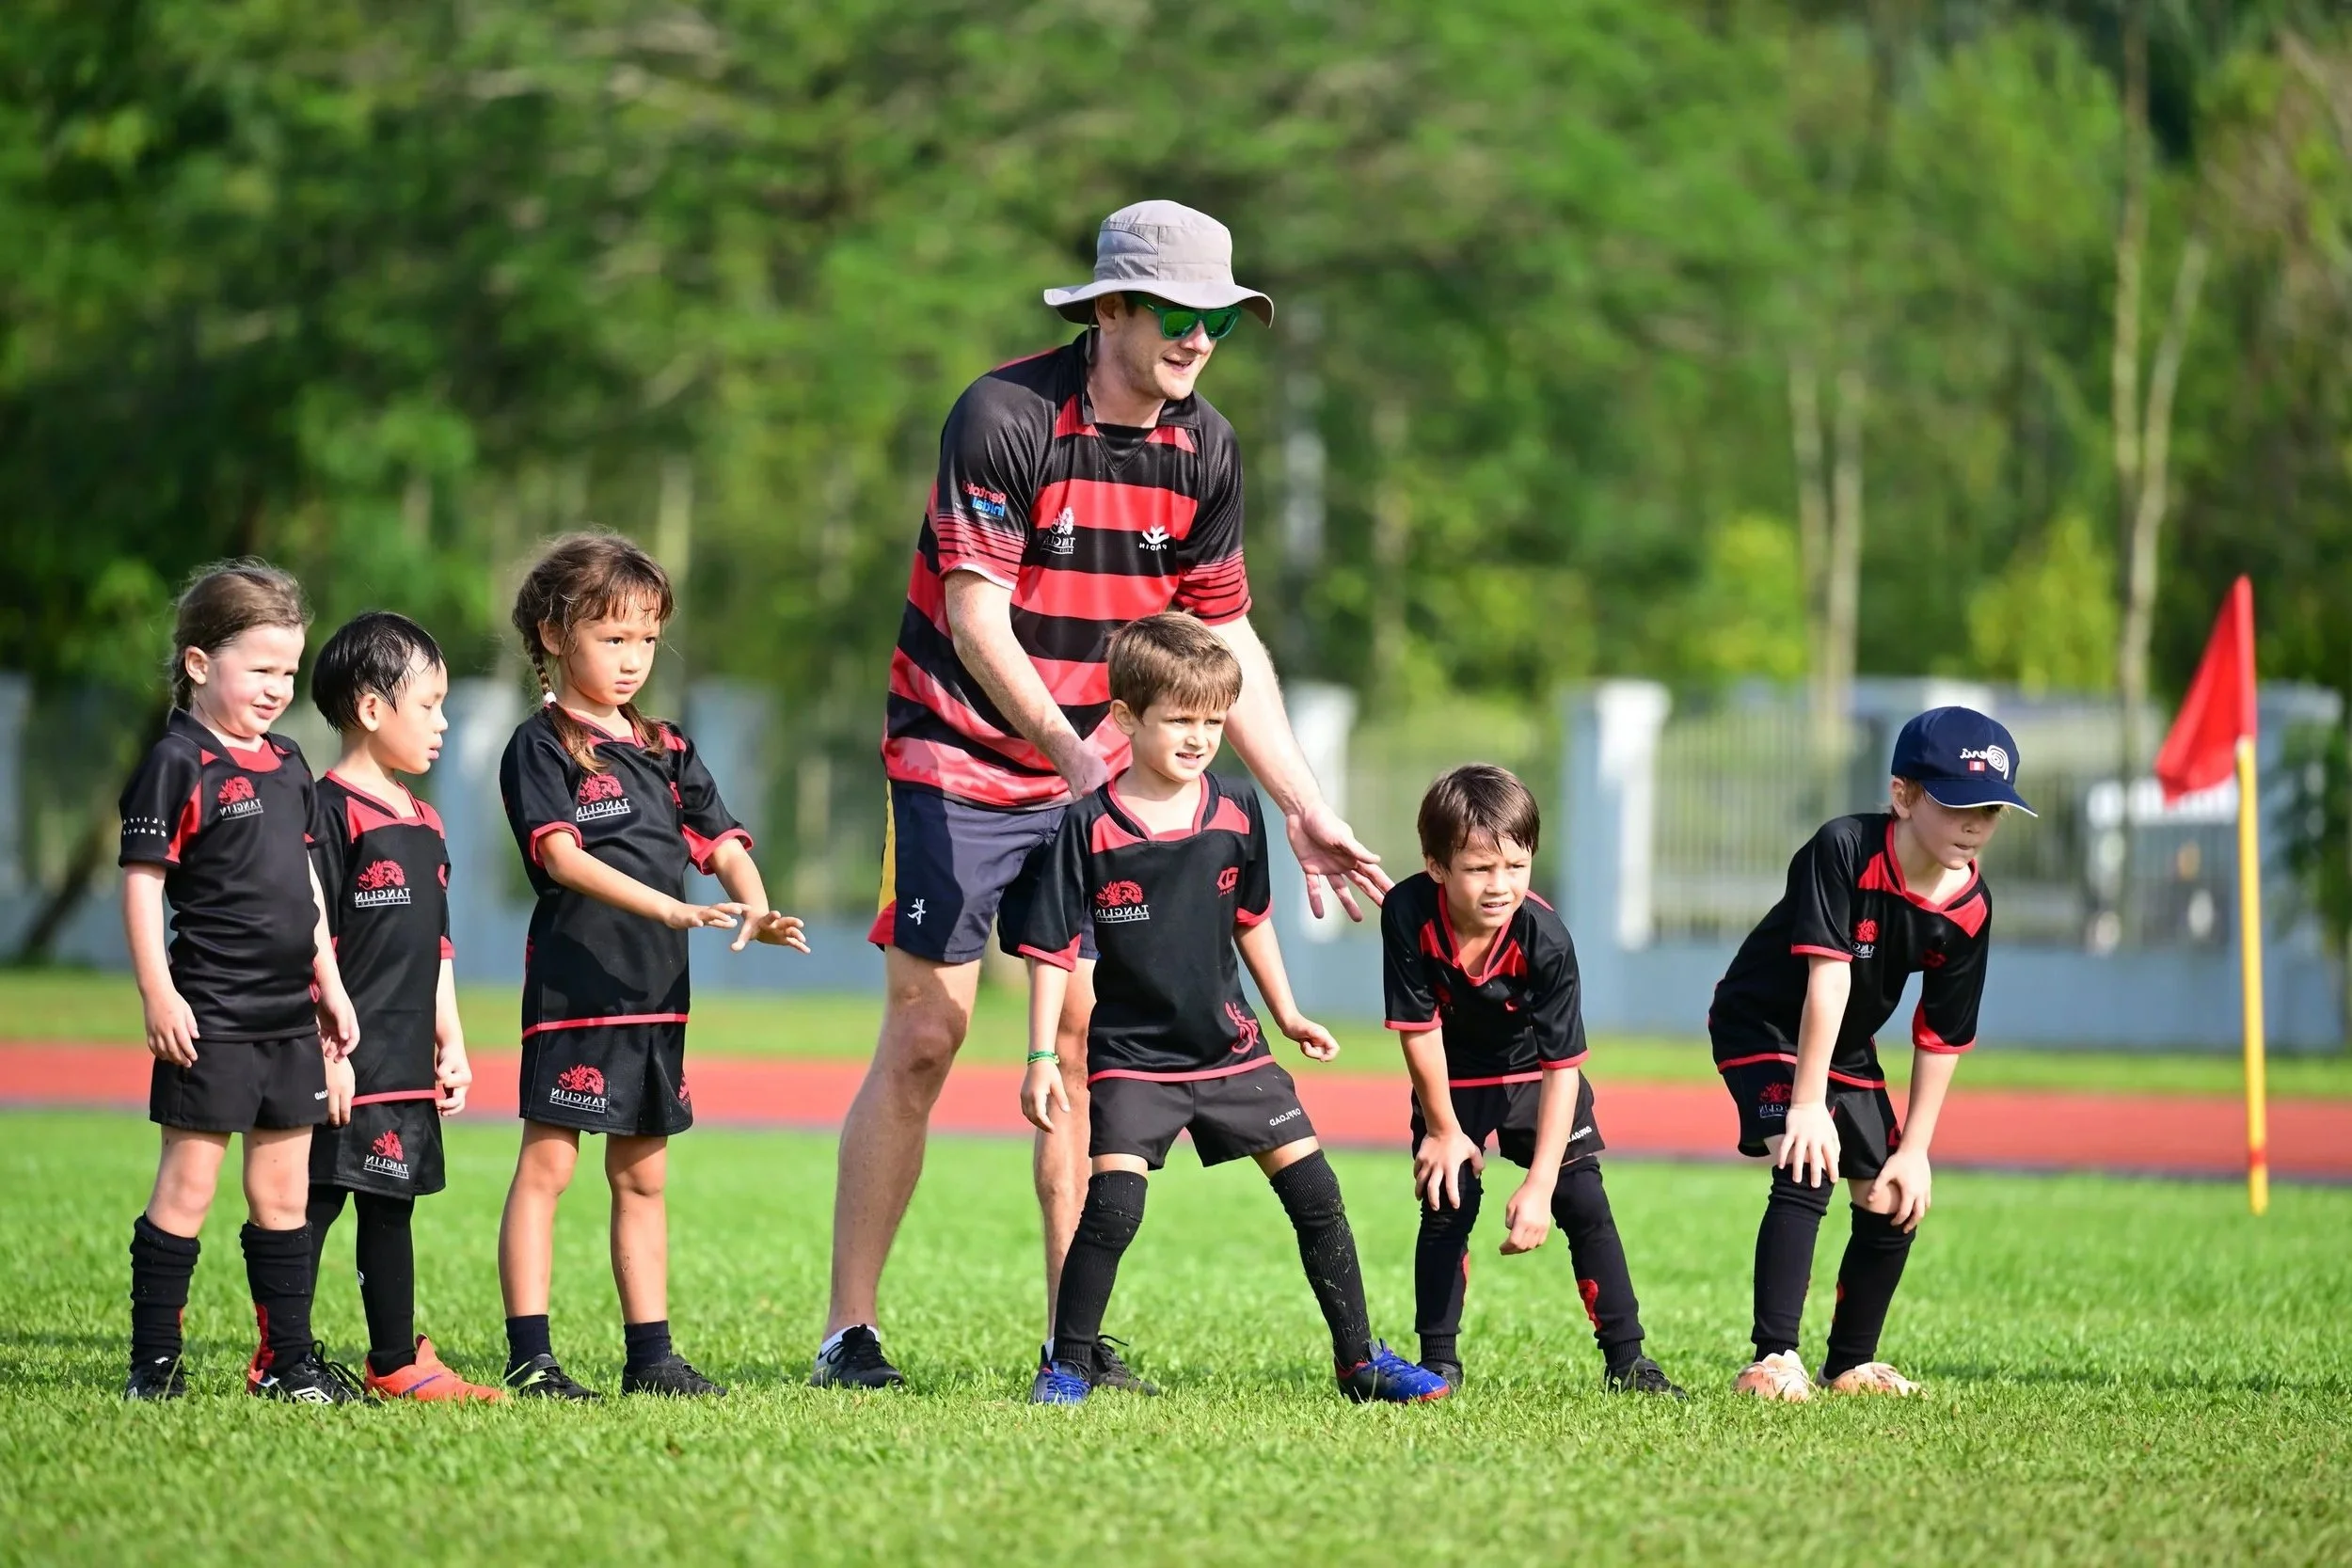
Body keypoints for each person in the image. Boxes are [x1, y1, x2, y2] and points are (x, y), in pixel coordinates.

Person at [820, 199, 1390, 1394]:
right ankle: (849, 1334)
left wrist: (1300, 801)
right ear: (1112, 309)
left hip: (1092, 771)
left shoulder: (1208, 450)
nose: (1199, 340)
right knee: (929, 1032)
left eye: (1219, 321)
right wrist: (1074, 758)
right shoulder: (1005, 415)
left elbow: (1222, 636)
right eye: (1179, 315)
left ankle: (1067, 1343)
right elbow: (976, 619)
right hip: (959, 751)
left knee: (1083, 1037)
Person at [1016, 613, 1447, 1405]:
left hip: (1232, 1051)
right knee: (1111, 1207)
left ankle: (1360, 1362)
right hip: (1135, 1060)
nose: (1198, 736)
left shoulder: (1239, 813)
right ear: (1125, 718)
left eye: (1213, 719)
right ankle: (1067, 1364)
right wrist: (1042, 1057)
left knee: (1317, 1193)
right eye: (1179, 718)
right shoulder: (1086, 828)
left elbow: (1251, 921)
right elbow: (1054, 951)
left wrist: (1287, 1013)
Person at [495, 532, 809, 1400]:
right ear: (556, 636)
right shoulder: (542, 745)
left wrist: (755, 902)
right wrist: (667, 905)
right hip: (576, 991)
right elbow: (560, 857)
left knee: (643, 1173)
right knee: (549, 1165)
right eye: (612, 636)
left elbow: (724, 840)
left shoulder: (667, 748)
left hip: (657, 995)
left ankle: (652, 1357)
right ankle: (532, 1356)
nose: (633, 658)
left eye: (645, 638)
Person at [1709, 707, 2029, 1402]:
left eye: (1991, 809)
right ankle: (1775, 1357)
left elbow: (1941, 1034)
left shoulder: (1971, 905)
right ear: (1904, 794)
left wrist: (1915, 1149)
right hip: (1764, 1022)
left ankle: (1848, 1363)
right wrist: (1803, 1105)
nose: (1975, 823)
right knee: (1809, 1158)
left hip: (1843, 1041)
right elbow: (1828, 978)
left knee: (1890, 1195)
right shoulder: (1844, 848)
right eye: (1956, 804)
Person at [119, 561, 365, 1402]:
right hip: (213, 1012)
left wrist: (328, 980)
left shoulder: (291, 762)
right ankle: (154, 1364)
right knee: (187, 1184)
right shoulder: (176, 762)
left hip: (289, 1015)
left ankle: (288, 1362)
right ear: (198, 663)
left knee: (284, 1190)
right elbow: (144, 881)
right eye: (261, 668)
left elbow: (305, 883)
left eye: (288, 671)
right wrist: (159, 991)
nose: (277, 687)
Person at [1382, 765, 1685, 1397]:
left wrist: (1542, 1182)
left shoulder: (1544, 937)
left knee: (1584, 1200)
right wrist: (1443, 1130)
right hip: (1453, 1077)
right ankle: (1438, 1362)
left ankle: (1629, 1361)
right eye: (1479, 868)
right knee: (1446, 1201)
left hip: (1533, 1074)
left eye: (1515, 866)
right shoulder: (1407, 911)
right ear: (1436, 866)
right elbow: (1419, 1029)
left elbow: (1562, 1067)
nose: (1500, 886)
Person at [303, 610, 501, 1402]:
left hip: (406, 1056)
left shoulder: (426, 822)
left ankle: (395, 1360)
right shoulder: (323, 809)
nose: (444, 723)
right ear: (372, 708)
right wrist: (327, 1046)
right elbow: (309, 934)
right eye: (430, 704)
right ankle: (279, 1351)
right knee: (312, 1199)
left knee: (392, 1204)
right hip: (343, 1054)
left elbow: (438, 949)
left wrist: (451, 1041)